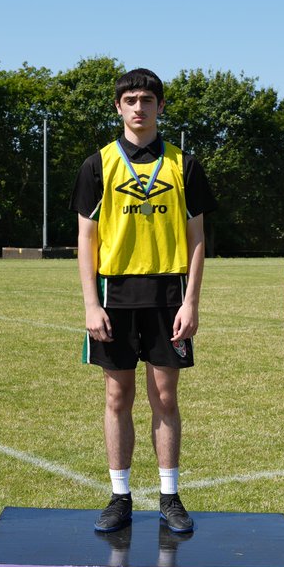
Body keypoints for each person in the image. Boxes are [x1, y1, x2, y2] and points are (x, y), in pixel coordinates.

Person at [71, 68, 217, 534]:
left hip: (168, 294)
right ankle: (119, 496)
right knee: (118, 395)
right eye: (130, 100)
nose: (139, 107)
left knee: (165, 397)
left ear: (160, 107)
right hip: (114, 294)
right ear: (118, 107)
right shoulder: (97, 164)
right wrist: (91, 305)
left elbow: (197, 239)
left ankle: (170, 496)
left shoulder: (183, 165)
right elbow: (85, 240)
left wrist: (191, 302)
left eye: (147, 100)